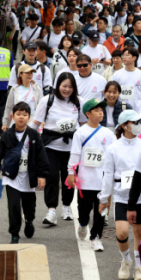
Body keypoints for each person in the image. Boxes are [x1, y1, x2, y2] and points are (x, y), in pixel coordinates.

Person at [0, 102, 49, 244]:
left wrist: (42, 175)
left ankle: (29, 221)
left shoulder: (34, 135)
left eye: (25, 114)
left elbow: (41, 156)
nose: (21, 117)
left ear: (29, 117)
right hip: (11, 177)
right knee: (14, 206)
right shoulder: (7, 135)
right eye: (18, 114)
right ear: (12, 116)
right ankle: (14, 234)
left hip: (28, 177)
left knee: (30, 205)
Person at [98, 110, 141, 280]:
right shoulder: (113, 148)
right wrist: (104, 199)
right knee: (122, 231)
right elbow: (107, 174)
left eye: (140, 122)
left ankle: (139, 266)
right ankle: (126, 260)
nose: (139, 125)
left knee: (139, 232)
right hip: (121, 196)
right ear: (125, 125)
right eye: (135, 122)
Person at [31, 73, 86, 225]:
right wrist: (22, 137)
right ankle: (51, 211)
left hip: (71, 148)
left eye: (70, 87)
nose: (67, 89)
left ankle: (67, 206)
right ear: (57, 85)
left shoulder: (79, 102)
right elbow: (35, 123)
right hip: (50, 146)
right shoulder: (47, 101)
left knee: (69, 180)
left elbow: (84, 126)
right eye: (64, 86)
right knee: (52, 178)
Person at [67, 98, 116, 251]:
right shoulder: (80, 133)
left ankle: (96, 237)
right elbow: (75, 154)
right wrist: (70, 172)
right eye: (97, 110)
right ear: (88, 114)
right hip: (85, 181)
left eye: (102, 110)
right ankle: (82, 224)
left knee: (101, 211)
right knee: (83, 210)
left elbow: (114, 155)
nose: (101, 113)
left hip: (102, 181)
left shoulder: (108, 134)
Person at [2, 64, 44, 132]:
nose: (30, 75)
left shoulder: (37, 89)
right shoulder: (14, 89)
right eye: (27, 73)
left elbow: (42, 108)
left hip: (32, 122)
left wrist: (42, 121)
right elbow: (8, 107)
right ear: (20, 74)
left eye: (31, 73)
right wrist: (4, 123)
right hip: (17, 122)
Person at [111, 48, 141, 113]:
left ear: (134, 58)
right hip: (121, 111)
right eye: (123, 55)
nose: (124, 57)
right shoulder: (117, 74)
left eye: (127, 55)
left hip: (138, 111)